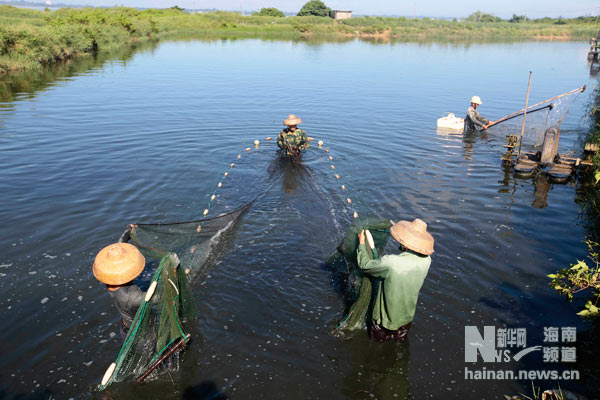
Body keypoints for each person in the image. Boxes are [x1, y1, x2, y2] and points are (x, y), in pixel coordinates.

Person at [356, 218, 434, 341]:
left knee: (377, 348)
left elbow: (365, 265)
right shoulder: (427, 261)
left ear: (405, 243)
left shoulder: (391, 262)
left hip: (384, 322)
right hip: (406, 319)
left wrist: (361, 244)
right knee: (398, 342)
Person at [93, 243, 178, 335]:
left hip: (126, 325)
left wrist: (127, 234)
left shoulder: (110, 280)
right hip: (139, 332)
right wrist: (171, 274)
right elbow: (159, 298)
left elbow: (118, 250)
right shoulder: (130, 297)